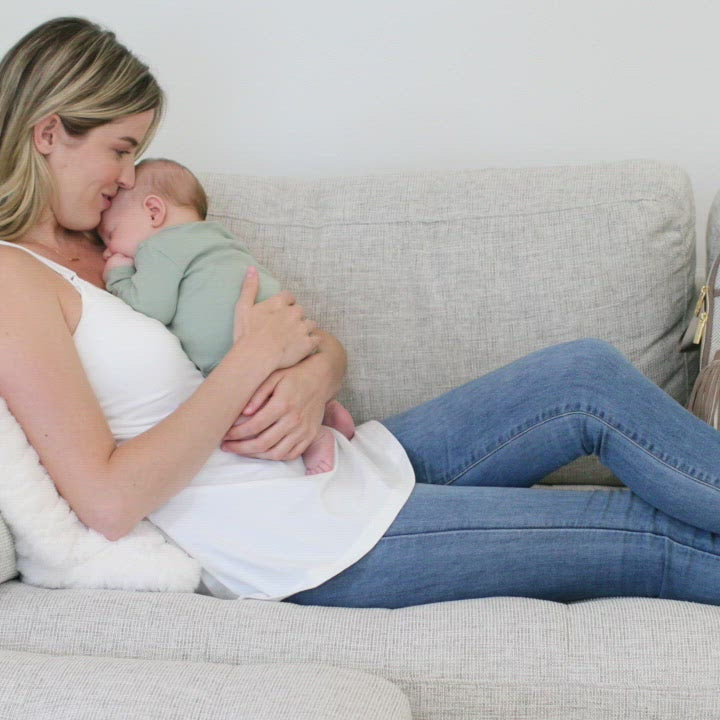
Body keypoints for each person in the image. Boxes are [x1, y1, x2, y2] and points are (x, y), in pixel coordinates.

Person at [3, 17, 720, 608]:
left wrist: (316, 374)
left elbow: (276, 323)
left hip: (338, 467)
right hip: (301, 545)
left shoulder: (118, 235)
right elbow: (107, 500)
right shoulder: (14, 281)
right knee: (641, 532)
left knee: (584, 375)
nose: (129, 176)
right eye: (120, 150)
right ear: (48, 134)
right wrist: (250, 365)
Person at [98, 157, 356, 475]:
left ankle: (317, 437)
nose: (108, 248)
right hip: (289, 335)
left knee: (247, 412)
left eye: (111, 234)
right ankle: (328, 409)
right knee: (285, 389)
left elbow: (151, 307)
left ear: (154, 211)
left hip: (237, 352)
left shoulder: (159, 248)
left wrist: (119, 274)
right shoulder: (218, 237)